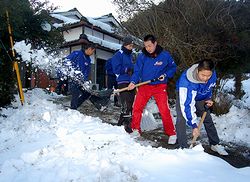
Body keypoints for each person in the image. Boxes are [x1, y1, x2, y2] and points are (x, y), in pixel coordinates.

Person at [127, 34, 177, 144]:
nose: (148, 48)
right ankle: (136, 129)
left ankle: (171, 133)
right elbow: (137, 71)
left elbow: (173, 67)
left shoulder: (165, 55)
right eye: (146, 46)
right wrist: (133, 82)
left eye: (150, 45)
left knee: (164, 109)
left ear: (155, 43)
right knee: (137, 107)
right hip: (145, 85)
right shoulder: (142, 56)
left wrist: (166, 75)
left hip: (159, 86)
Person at [175, 59, 228, 155]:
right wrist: (194, 126)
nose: (206, 78)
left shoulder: (212, 74)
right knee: (181, 118)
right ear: (198, 71)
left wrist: (208, 98)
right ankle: (183, 148)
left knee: (206, 116)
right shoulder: (186, 83)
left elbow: (210, 87)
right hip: (186, 95)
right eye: (203, 75)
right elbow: (187, 105)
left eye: (208, 75)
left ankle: (215, 143)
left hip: (200, 95)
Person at [111, 36, 135, 126]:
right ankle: (126, 124)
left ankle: (121, 123)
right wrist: (127, 70)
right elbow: (116, 69)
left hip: (131, 82)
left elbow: (133, 67)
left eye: (132, 46)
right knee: (126, 103)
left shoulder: (131, 56)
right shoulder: (118, 55)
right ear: (125, 45)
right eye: (129, 45)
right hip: (122, 81)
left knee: (131, 103)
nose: (131, 47)